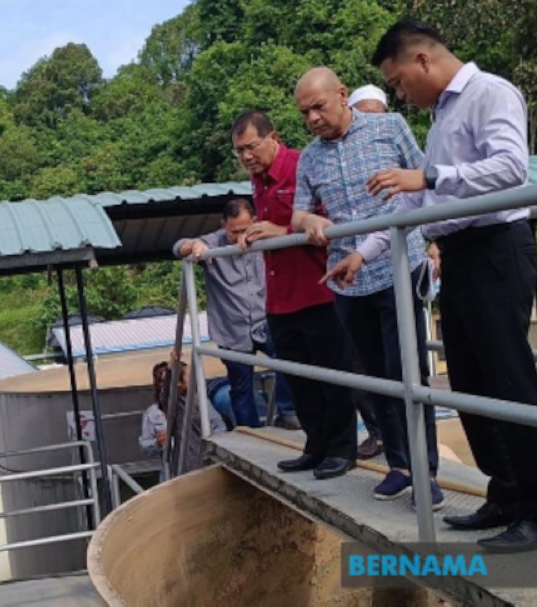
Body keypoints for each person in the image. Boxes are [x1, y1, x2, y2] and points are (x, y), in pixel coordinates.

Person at [328, 19, 537, 551]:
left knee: (510, 380)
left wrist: (431, 176)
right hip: (458, 257)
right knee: (471, 383)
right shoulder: (441, 118)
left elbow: (511, 168)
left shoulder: (489, 93)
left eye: (398, 82)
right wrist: (361, 256)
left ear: (424, 61)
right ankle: (504, 494)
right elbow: (415, 207)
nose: (399, 93)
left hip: (496, 249)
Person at [292, 67, 442, 507]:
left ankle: (425, 472)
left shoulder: (388, 126)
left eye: (319, 107)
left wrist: (435, 243)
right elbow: (298, 215)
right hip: (347, 281)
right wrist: (311, 221)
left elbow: (425, 179)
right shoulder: (310, 158)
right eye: (305, 113)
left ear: (342, 95)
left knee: (408, 374)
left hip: (400, 266)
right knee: (376, 379)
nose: (313, 118)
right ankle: (398, 466)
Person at [232, 109, 358, 480]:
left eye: (252, 147)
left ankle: (341, 449)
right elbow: (270, 230)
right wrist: (253, 233)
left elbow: (328, 223)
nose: (246, 157)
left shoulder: (302, 167)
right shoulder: (257, 182)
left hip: (317, 292)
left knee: (331, 376)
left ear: (274, 138)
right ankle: (315, 445)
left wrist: (281, 229)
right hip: (279, 299)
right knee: (297, 379)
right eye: (239, 151)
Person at [173, 198, 300, 430]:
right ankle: (248, 432)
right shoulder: (214, 242)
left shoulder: (264, 236)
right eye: (234, 231)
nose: (241, 235)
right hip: (232, 327)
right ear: (223, 225)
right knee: (241, 386)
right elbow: (178, 246)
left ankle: (288, 411)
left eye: (245, 228)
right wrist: (195, 247)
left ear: (255, 221)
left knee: (289, 358)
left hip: (266, 319)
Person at [161, 359, 227, 474]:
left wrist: (215, 438)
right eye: (189, 376)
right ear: (179, 383)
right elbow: (168, 395)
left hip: (204, 455)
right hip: (186, 460)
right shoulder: (178, 404)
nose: (194, 378)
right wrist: (170, 370)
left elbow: (218, 423)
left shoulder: (200, 399)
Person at [138, 361, 169, 457]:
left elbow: (216, 428)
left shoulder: (198, 404)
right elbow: (145, 447)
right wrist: (158, 442)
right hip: (171, 469)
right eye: (160, 381)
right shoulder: (152, 412)